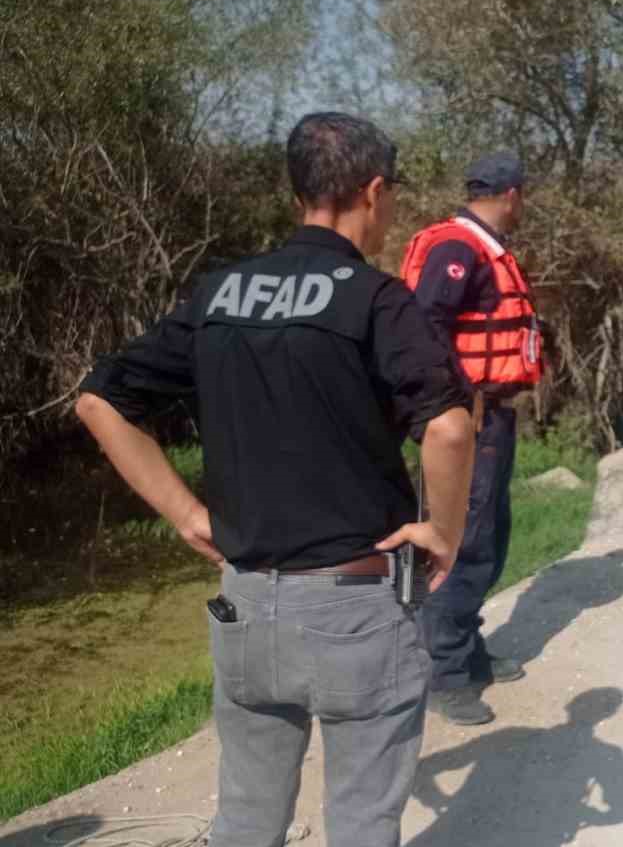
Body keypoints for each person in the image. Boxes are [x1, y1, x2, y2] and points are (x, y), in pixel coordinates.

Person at [75, 112, 476, 847]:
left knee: (246, 822)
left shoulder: (219, 293)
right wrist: (442, 530)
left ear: (298, 192)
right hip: (356, 605)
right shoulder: (377, 299)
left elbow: (99, 400)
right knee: (360, 823)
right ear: (374, 191)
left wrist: (183, 509)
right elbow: (450, 426)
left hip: (245, 608)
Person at [399, 150, 545, 726]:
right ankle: (446, 674)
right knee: (462, 542)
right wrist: (465, 398)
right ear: (511, 194)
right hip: (470, 421)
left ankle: (468, 650)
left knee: (488, 537)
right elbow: (424, 327)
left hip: (489, 415)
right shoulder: (459, 247)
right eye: (523, 195)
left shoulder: (479, 244)